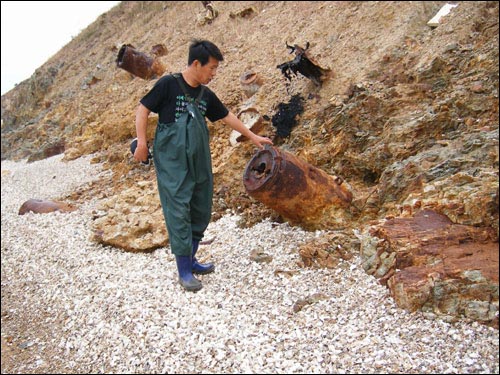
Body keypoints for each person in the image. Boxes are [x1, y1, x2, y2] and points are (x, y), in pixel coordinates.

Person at [133, 39, 273, 292]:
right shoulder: (168, 84)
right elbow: (143, 109)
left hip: (199, 160)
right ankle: (184, 271)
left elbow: (227, 116)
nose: (214, 73)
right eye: (211, 68)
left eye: (216, 69)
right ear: (196, 63)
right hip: (172, 161)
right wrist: (142, 143)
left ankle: (192, 260)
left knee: (201, 206)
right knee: (178, 210)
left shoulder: (205, 95)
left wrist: (252, 136)